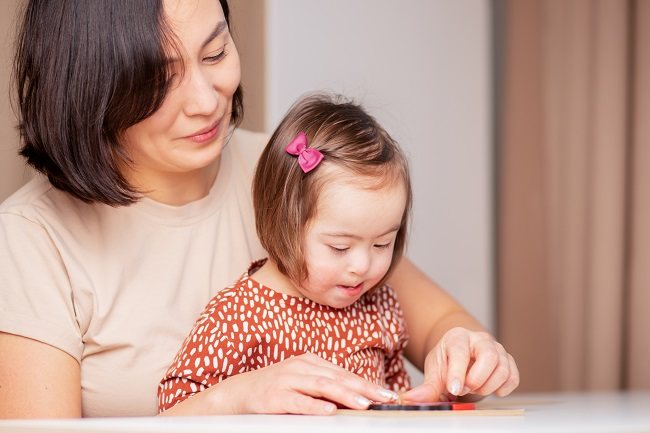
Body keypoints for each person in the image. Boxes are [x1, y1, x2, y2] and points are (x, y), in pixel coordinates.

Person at [0, 0, 519, 419]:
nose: (206, 100)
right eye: (160, 78)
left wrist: (466, 352)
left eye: (215, 53)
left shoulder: (291, 172)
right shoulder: (33, 240)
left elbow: (442, 323)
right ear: (89, 87)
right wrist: (228, 401)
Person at [159, 93, 413, 413]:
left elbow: (399, 402)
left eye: (382, 244)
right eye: (340, 247)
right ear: (283, 224)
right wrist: (239, 395)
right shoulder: (240, 313)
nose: (362, 265)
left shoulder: (381, 306)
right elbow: (173, 408)